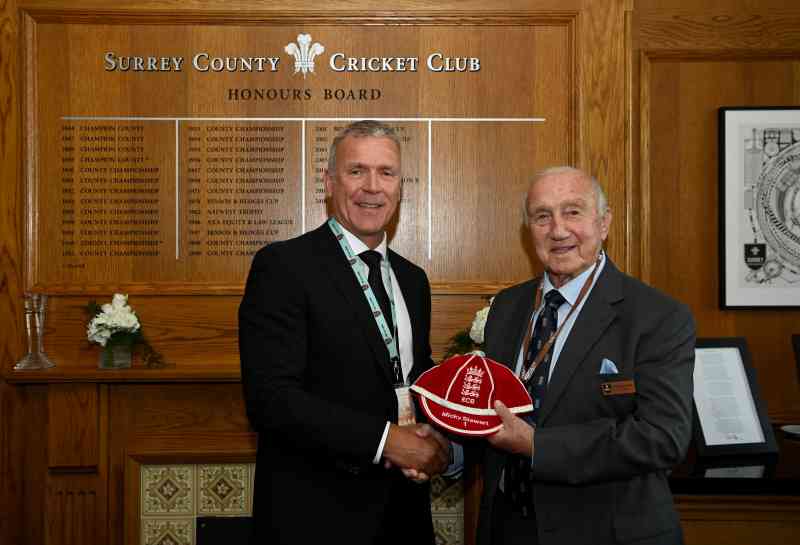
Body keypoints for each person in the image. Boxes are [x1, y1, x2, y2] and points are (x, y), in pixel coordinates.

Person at [239, 120, 452, 545]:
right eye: (357, 171)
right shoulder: (283, 267)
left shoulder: (413, 280)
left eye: (386, 172)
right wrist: (385, 441)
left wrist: (441, 438)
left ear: (400, 186)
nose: (372, 187)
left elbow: (412, 376)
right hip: (317, 517)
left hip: (403, 512)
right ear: (330, 182)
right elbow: (271, 399)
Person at [476, 166, 695, 545]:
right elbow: (491, 414)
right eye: (542, 216)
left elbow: (663, 437)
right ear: (529, 230)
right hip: (508, 527)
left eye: (573, 212)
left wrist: (537, 446)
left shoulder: (657, 316)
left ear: (604, 222)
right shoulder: (506, 309)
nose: (558, 230)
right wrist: (446, 448)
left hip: (606, 531)